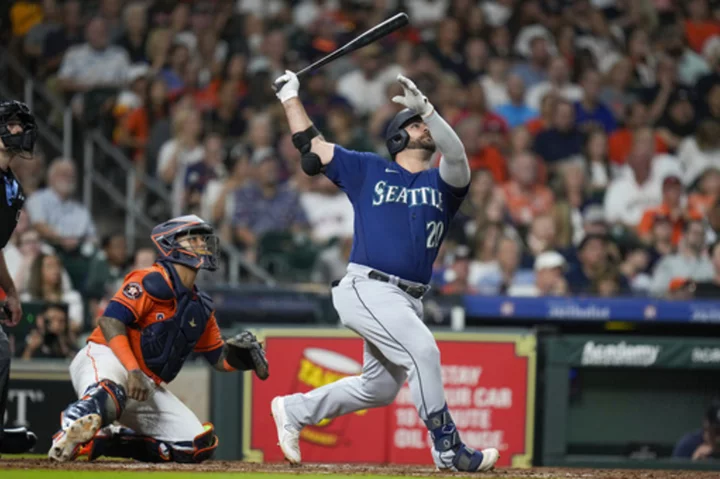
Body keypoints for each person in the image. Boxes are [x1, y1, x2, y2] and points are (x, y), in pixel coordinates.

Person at [269, 70, 499, 472]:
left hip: (409, 299)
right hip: (368, 286)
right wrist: (290, 96)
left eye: (425, 123)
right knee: (423, 350)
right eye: (415, 125)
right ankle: (448, 447)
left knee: (378, 388)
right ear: (397, 137)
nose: (425, 128)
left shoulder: (443, 182)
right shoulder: (369, 169)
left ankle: (294, 409)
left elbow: (458, 155)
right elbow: (312, 147)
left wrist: (426, 108)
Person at [48, 215, 269, 463]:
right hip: (107, 357)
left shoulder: (201, 306)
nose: (202, 244)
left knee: (195, 446)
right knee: (109, 392)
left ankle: (106, 440)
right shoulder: (148, 279)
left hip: (145, 385)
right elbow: (110, 321)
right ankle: (66, 434)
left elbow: (219, 358)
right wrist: (132, 370)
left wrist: (243, 357)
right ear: (170, 244)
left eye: (203, 238)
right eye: (193, 238)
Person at [0, 101, 38, 455]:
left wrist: (10, 291)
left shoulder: (11, 186)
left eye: (21, 126)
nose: (18, 131)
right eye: (12, 125)